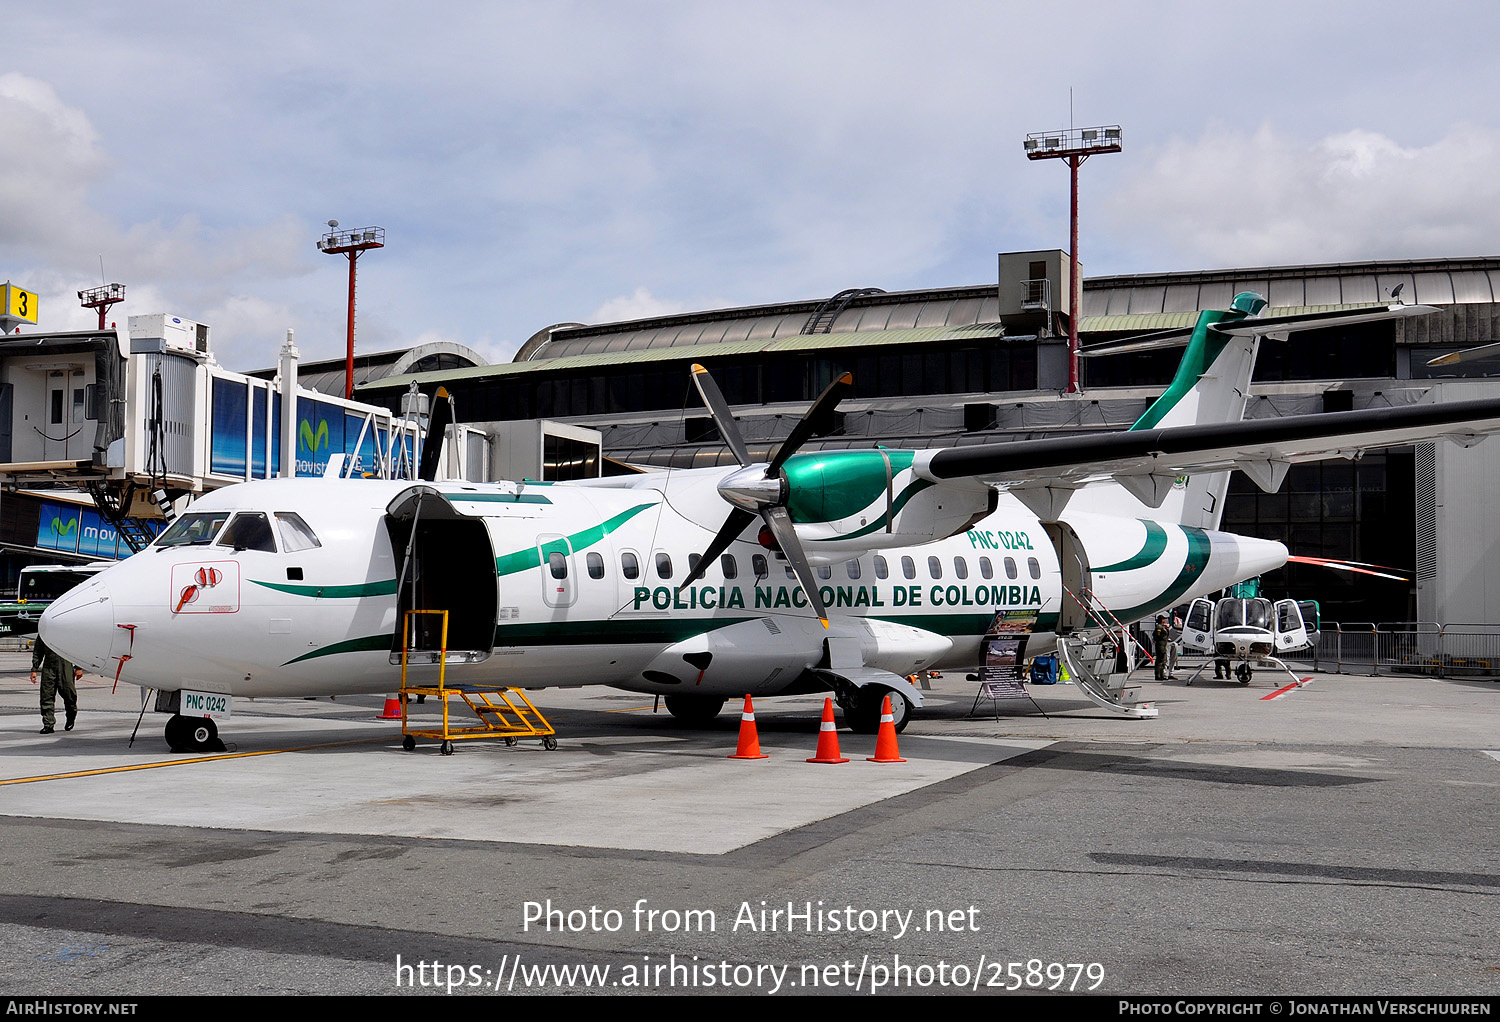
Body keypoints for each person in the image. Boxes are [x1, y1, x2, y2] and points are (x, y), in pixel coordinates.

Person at [31, 636, 82, 735]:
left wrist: (79, 667)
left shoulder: (67, 631)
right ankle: (48, 724)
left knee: (70, 696)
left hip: (65, 667)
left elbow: (77, 648)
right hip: (48, 668)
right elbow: (38, 650)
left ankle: (71, 718)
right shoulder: (44, 632)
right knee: (46, 696)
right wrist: (34, 669)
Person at [1153, 615, 1172, 680]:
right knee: (1160, 660)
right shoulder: (1159, 627)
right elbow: (1157, 636)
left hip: (1163, 645)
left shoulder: (1162, 627)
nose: (1164, 620)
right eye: (1163, 619)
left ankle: (1161, 675)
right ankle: (1158, 675)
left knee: (1163, 660)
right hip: (1160, 645)